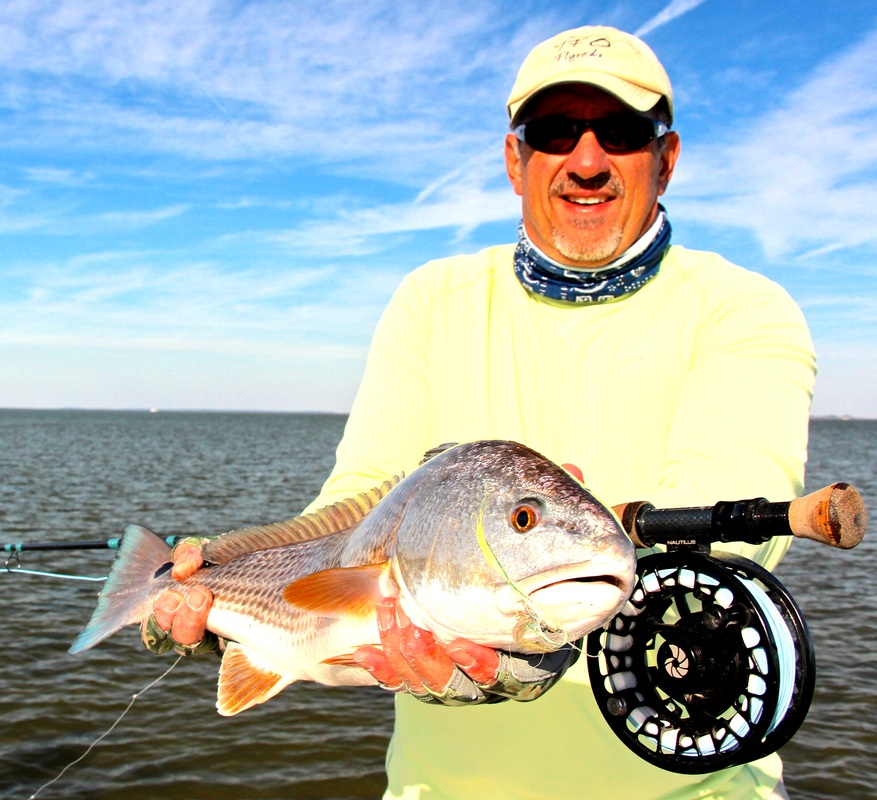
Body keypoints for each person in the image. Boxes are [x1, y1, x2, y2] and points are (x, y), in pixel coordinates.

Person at [149, 25, 816, 800]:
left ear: (665, 160)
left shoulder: (742, 310)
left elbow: (731, 528)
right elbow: (360, 499)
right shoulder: (432, 300)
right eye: (555, 132)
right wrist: (230, 570)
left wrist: (540, 646)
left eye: (622, 133)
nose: (588, 160)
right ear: (514, 160)